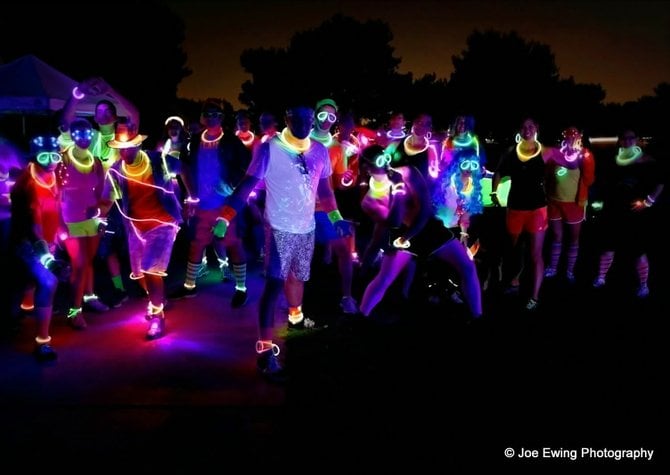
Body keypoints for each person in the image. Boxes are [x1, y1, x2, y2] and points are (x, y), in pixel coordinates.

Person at [213, 104, 351, 381]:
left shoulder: (320, 151)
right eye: (297, 118)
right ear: (286, 118)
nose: (304, 122)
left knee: (298, 276)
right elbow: (247, 185)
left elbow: (324, 189)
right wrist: (226, 216)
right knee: (274, 285)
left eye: (308, 118)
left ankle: (296, 318)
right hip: (279, 228)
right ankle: (265, 353)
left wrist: (336, 217)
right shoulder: (269, 149)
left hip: (306, 227)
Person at [101, 122, 182, 340]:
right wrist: (98, 215)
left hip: (163, 223)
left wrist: (191, 197)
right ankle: (157, 300)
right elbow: (107, 199)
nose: (124, 151)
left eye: (128, 146)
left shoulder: (158, 159)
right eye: (121, 147)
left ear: (138, 144)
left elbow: (184, 169)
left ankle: (158, 316)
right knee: (139, 274)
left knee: (150, 268)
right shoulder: (116, 170)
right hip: (135, 226)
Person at [170, 101, 251, 307]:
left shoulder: (232, 141)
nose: (211, 117)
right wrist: (192, 196)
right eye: (208, 114)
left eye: (216, 114)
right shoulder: (195, 140)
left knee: (233, 244)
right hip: (203, 203)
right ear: (203, 117)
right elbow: (186, 166)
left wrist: (231, 186)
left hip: (225, 204)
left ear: (221, 118)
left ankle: (241, 288)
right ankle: (189, 286)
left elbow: (246, 166)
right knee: (197, 243)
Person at [8, 135, 71, 360]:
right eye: (44, 156)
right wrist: (49, 260)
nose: (51, 161)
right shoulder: (27, 184)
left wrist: (63, 233)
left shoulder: (55, 176)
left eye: (55, 155)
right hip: (28, 243)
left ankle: (22, 312)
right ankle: (42, 342)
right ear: (34, 157)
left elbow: (58, 207)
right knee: (48, 282)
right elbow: (33, 227)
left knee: (29, 282)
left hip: (48, 240)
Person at [491, 118, 557, 311]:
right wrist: (494, 193)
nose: (527, 129)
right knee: (514, 250)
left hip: (538, 209)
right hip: (515, 208)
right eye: (524, 126)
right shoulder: (511, 151)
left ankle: (534, 296)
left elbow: (567, 164)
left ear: (536, 128)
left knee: (535, 254)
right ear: (520, 129)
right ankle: (514, 280)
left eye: (531, 126)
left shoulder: (546, 151)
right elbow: (498, 172)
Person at [592, 129, 664, 297]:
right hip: (613, 211)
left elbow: (660, 183)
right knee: (608, 246)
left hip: (635, 213)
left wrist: (648, 202)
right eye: (624, 138)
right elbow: (604, 182)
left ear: (637, 140)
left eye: (631, 138)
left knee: (638, 249)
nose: (627, 141)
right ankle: (601, 277)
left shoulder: (648, 161)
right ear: (620, 141)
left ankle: (644, 285)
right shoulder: (613, 161)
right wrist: (600, 202)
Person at [310, 98, 358, 314]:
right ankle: (292, 299)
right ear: (315, 115)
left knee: (344, 252)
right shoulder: (301, 140)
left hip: (326, 209)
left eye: (331, 116)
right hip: (300, 209)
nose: (327, 120)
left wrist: (347, 178)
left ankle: (346, 296)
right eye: (323, 115)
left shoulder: (338, 147)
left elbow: (340, 184)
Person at [543, 126, 595, 283]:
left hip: (574, 204)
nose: (571, 139)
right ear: (564, 137)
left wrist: (584, 159)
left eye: (574, 136)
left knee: (573, 238)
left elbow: (590, 180)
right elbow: (546, 174)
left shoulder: (585, 154)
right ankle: (552, 267)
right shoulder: (556, 153)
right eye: (568, 136)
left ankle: (570, 270)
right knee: (556, 236)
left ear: (579, 137)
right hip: (553, 201)